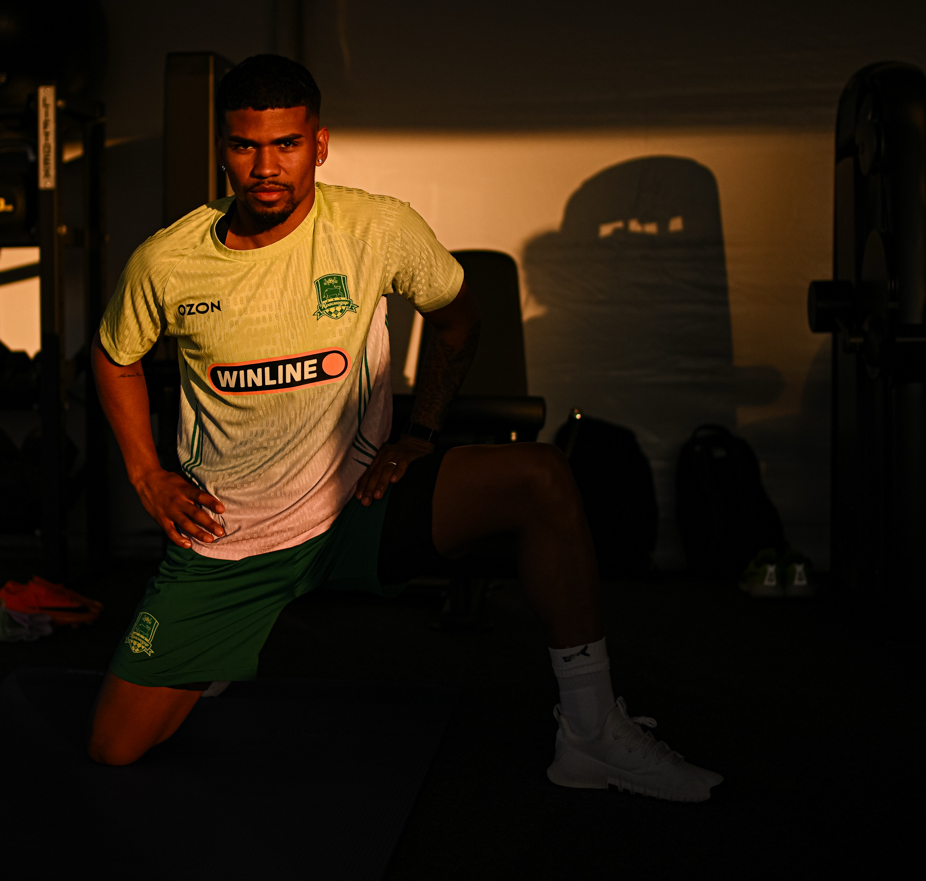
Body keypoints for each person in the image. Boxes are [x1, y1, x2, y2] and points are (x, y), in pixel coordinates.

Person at [89, 54, 722, 801]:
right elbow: (114, 355)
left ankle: (590, 732)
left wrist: (419, 435)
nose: (266, 167)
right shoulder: (168, 261)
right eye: (245, 146)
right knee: (116, 750)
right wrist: (146, 474)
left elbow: (459, 321)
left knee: (542, 477)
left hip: (360, 506)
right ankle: (226, 642)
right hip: (232, 534)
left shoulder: (377, 228)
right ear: (222, 149)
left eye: (287, 144)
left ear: (319, 144)